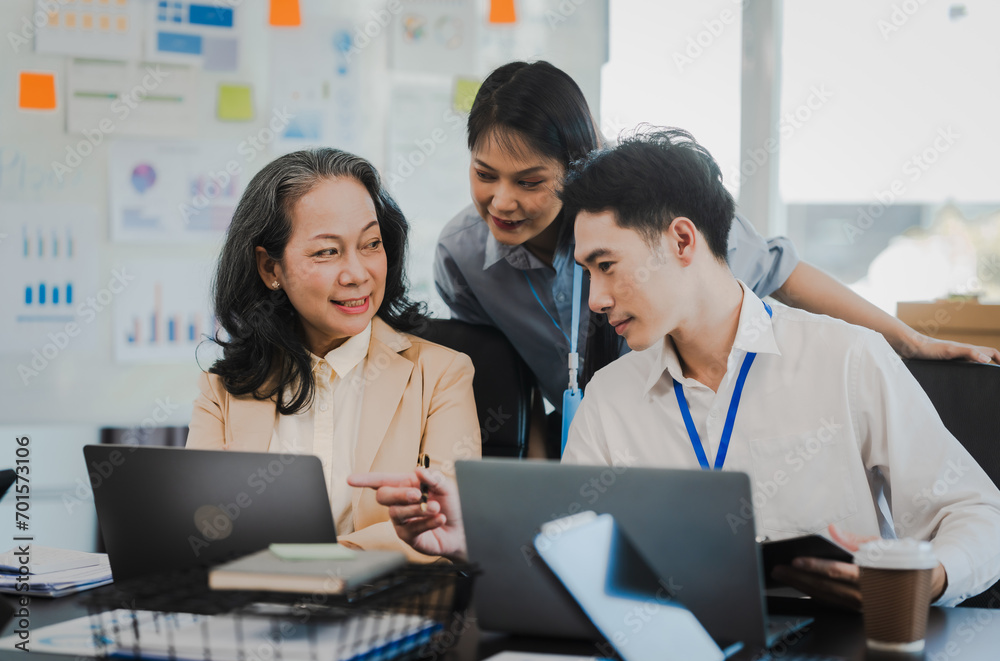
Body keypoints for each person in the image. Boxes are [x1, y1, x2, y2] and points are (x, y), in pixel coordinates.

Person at [352, 128, 1000, 608]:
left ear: (682, 241)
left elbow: (978, 512)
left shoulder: (847, 359)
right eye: (586, 272)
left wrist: (930, 576)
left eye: (607, 264)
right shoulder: (610, 397)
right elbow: (567, 550)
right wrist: (477, 537)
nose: (596, 299)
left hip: (838, 637)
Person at [435, 61, 999, 453]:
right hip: (587, 437)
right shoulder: (461, 257)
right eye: (484, 175)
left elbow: (784, 274)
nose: (501, 202)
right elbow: (511, 379)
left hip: (687, 432)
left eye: (530, 181)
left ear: (578, 166)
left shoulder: (653, 219)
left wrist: (908, 341)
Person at [186, 148, 481, 561]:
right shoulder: (223, 388)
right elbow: (196, 528)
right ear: (271, 269)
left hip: (389, 612)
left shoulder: (442, 375)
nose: (357, 274)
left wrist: (298, 559)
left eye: (371, 244)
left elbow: (447, 528)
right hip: (249, 610)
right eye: (327, 251)